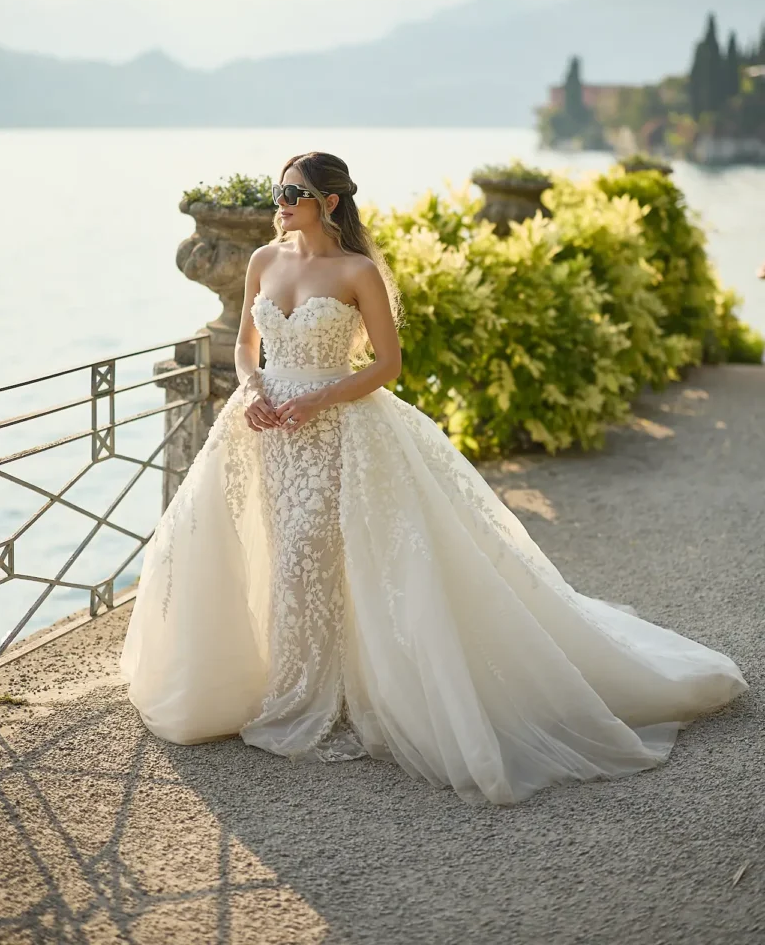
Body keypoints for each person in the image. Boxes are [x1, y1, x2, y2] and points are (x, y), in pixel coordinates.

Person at [120, 151, 748, 806]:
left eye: (292, 191)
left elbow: (387, 365)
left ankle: (307, 702)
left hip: (334, 430)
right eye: (280, 189)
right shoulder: (262, 261)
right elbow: (248, 350)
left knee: (312, 556)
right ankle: (290, 682)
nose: (279, 200)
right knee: (275, 556)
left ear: (329, 201)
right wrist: (253, 389)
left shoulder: (357, 272)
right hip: (264, 430)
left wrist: (317, 399)